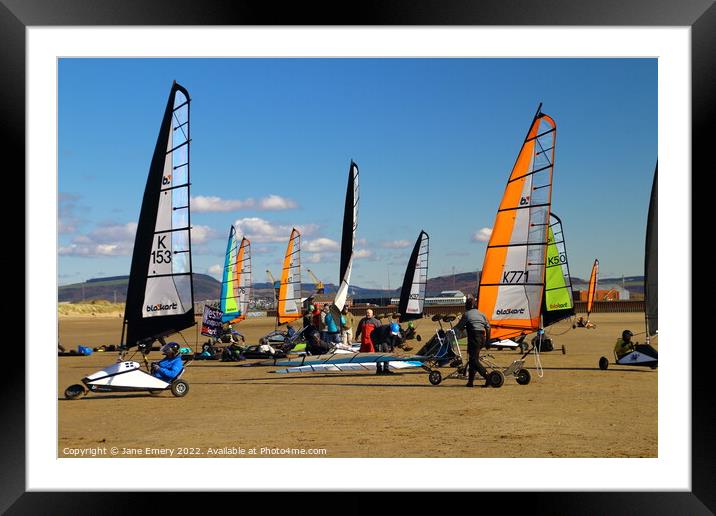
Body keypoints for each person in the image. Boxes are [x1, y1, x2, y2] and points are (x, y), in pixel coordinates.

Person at [452, 296, 491, 387]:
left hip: (474, 338)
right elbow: (488, 328)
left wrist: (450, 332)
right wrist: (488, 341)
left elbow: (459, 328)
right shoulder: (482, 314)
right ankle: (470, 382)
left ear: (468, 305)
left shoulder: (466, 314)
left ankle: (487, 376)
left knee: (473, 360)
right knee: (473, 359)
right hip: (482, 338)